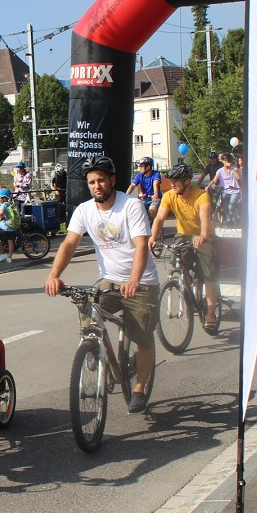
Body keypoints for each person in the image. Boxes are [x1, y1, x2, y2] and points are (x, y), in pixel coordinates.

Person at [44, 157, 159, 414]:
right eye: (92, 182)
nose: (97, 186)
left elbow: (141, 246)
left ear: (112, 180)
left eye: (101, 180)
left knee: (142, 337)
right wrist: (54, 274)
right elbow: (70, 244)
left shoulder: (131, 206)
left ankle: (139, 387)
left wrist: (134, 280)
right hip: (109, 280)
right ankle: (97, 351)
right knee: (87, 308)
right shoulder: (85, 210)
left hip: (140, 281)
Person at [149, 163, 220, 330]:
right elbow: (159, 218)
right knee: (177, 263)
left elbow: (204, 216)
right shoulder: (169, 196)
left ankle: (210, 311)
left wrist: (202, 235)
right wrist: (152, 238)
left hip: (205, 235)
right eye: (171, 180)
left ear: (187, 181)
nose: (172, 184)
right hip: (183, 235)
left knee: (209, 273)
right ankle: (187, 288)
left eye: (176, 181)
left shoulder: (201, 195)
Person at [207, 153, 241, 222]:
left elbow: (238, 177)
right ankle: (226, 220)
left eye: (228, 160)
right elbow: (214, 180)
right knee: (220, 204)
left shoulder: (234, 168)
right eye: (225, 160)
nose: (227, 162)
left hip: (235, 191)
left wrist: (232, 168)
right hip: (225, 190)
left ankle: (237, 219)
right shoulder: (220, 171)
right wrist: (208, 187)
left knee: (230, 206)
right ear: (222, 161)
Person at [0, 188, 19, 263]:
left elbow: (1, 213)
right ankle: (10, 258)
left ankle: (3, 254)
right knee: (10, 243)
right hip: (12, 227)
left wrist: (0, 217)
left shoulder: (3, 205)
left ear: (4, 198)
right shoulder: (12, 204)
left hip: (4, 228)